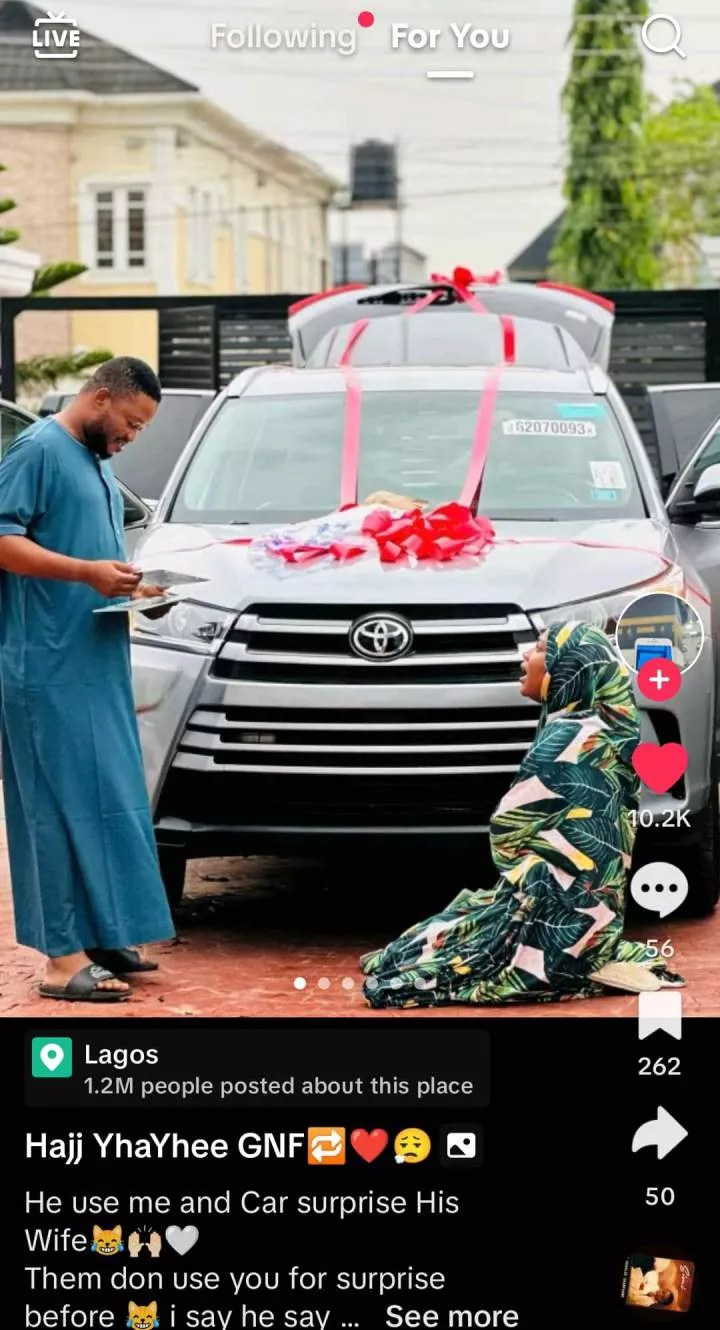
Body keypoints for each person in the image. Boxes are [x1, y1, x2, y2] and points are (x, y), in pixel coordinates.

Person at [361, 621, 685, 1008]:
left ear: (569, 668)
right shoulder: (609, 733)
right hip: (595, 916)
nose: (525, 656)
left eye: (540, 649)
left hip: (550, 907)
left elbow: (507, 829)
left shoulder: (567, 738)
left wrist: (526, 874)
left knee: (424, 951)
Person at [0, 357, 176, 1002]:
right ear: (101, 398)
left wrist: (137, 589)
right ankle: (60, 960)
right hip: (44, 665)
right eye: (130, 422)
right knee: (53, 807)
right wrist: (87, 574)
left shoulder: (95, 462)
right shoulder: (38, 449)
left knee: (108, 800)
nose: (133, 436)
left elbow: (92, 556)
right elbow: (1, 539)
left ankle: (105, 931)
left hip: (93, 659)